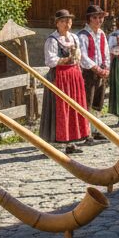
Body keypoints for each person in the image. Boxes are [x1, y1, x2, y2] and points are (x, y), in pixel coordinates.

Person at [39, 9, 91, 154]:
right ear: (57, 23)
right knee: (61, 108)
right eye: (63, 21)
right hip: (59, 77)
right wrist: (67, 59)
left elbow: (79, 56)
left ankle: (72, 141)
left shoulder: (74, 37)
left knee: (74, 107)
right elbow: (50, 61)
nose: (67, 23)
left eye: (69, 21)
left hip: (73, 76)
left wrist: (77, 63)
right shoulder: (52, 40)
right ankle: (58, 140)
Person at [78, 5, 112, 142]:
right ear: (89, 19)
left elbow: (106, 53)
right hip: (88, 73)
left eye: (100, 17)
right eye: (95, 17)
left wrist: (106, 68)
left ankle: (96, 130)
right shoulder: (82, 35)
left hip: (101, 72)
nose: (98, 20)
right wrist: (95, 68)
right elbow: (83, 56)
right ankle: (86, 133)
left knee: (98, 102)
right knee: (88, 102)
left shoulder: (102, 34)